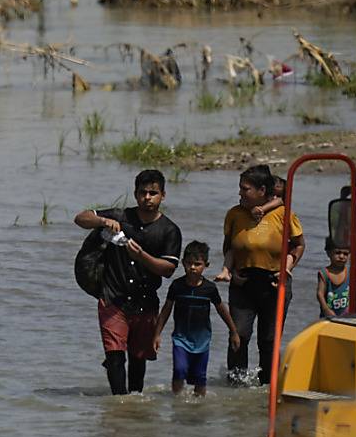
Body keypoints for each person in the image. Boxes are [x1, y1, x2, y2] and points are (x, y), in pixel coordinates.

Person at [74, 169, 182, 395]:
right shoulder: (120, 217)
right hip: (113, 298)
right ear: (135, 194)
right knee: (114, 356)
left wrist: (142, 256)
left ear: (163, 195)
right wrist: (103, 221)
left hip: (146, 302)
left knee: (138, 359)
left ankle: (134, 404)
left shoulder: (169, 231)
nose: (147, 198)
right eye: (143, 193)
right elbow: (80, 218)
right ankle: (118, 406)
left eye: (153, 193)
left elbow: (169, 270)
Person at [221, 164, 305, 385]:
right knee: (239, 335)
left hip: (274, 285)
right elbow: (229, 246)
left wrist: (287, 269)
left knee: (268, 341)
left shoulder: (283, 214)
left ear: (262, 191)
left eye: (245, 189)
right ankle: (236, 385)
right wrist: (230, 271)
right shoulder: (235, 214)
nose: (240, 193)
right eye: (240, 188)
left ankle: (267, 386)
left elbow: (298, 245)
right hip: (243, 283)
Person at [154, 241, 241, 396]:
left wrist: (233, 331)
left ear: (205, 265)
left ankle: (198, 407)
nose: (192, 267)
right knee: (179, 370)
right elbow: (166, 310)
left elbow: (222, 310)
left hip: (202, 341)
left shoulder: (209, 289)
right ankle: (177, 401)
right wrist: (157, 334)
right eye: (189, 263)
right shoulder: (177, 286)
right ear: (182, 263)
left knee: (200, 377)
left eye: (197, 264)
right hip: (180, 339)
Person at [215, 174, 286, 283]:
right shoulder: (237, 212)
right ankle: (226, 271)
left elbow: (298, 245)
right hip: (242, 271)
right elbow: (227, 244)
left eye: (277, 196)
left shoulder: (282, 212)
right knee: (232, 250)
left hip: (271, 274)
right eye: (273, 195)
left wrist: (262, 209)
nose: (274, 199)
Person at [317, 237, 356, 318]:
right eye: (337, 253)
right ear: (328, 253)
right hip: (329, 315)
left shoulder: (349, 272)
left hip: (346, 314)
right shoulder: (325, 273)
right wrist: (326, 309)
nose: (341, 256)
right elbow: (320, 293)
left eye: (345, 254)